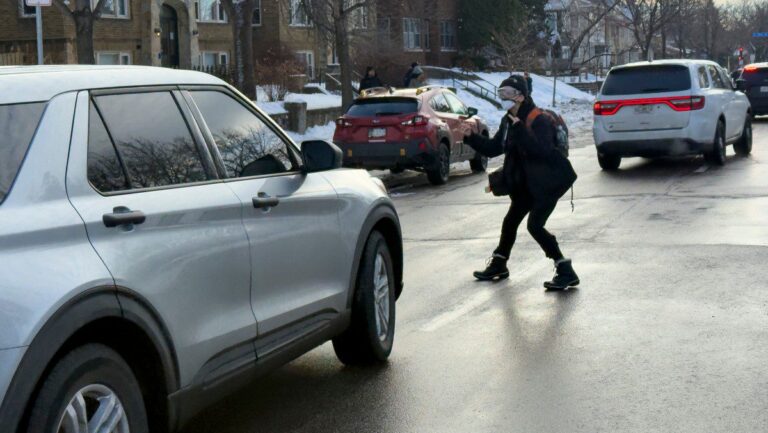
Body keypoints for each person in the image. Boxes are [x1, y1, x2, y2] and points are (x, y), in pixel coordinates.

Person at [464, 74, 579, 290]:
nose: (503, 98)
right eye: (500, 93)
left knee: (535, 226)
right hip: (526, 185)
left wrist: (520, 130)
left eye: (507, 93)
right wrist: (471, 138)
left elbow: (542, 151)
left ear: (520, 96)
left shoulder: (538, 119)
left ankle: (565, 269)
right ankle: (499, 264)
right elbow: (495, 147)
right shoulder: (508, 120)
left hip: (547, 184)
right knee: (510, 222)